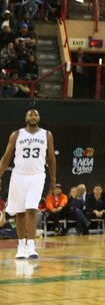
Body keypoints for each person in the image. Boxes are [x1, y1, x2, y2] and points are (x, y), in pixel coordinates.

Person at [0, 108, 55, 259]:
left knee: (32, 208)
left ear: (39, 117)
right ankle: (21, 246)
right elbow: (7, 156)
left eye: (36, 114)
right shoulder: (17, 134)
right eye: (30, 114)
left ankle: (31, 246)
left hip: (37, 175)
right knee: (20, 211)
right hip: (18, 175)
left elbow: (51, 158)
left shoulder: (47, 134)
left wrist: (53, 179)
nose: (33, 116)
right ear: (26, 118)